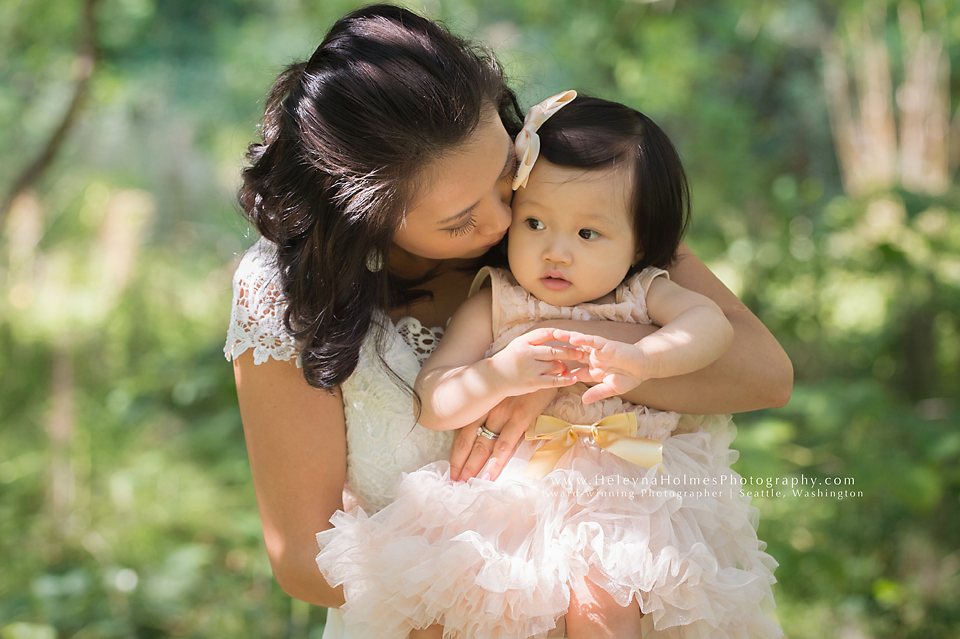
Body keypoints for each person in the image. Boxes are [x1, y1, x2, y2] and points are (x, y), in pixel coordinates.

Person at [224, 5, 792, 638]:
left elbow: (763, 373)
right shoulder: (283, 292)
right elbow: (304, 561)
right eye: (462, 220)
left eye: (504, 179)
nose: (503, 222)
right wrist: (516, 592)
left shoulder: (565, 199)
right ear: (366, 216)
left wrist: (557, 359)